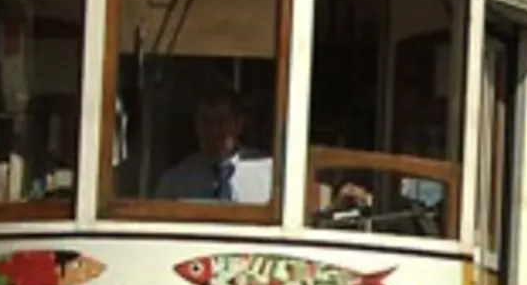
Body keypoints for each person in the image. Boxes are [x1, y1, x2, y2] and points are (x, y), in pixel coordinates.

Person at [155, 90, 371, 211]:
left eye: (222, 121)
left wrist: (338, 206)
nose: (214, 131)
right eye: (206, 122)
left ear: (239, 125)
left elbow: (304, 219)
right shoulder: (176, 181)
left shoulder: (271, 172)